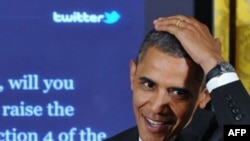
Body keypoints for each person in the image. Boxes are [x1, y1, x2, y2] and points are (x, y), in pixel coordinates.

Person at [104, 15, 250, 141]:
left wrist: (213, 62)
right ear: (133, 75)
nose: (157, 108)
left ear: (204, 95)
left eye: (178, 93)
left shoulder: (217, 134)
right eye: (149, 85)